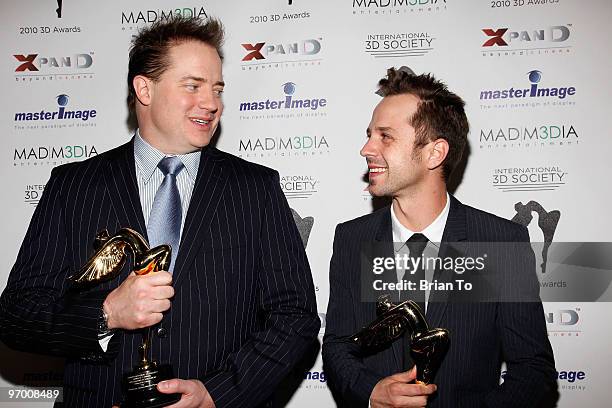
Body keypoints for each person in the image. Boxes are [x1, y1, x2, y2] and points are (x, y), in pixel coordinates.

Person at [0, 16, 319, 408]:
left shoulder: (256, 189)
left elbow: (295, 317)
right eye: (193, 86)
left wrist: (216, 394)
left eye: (217, 89)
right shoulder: (73, 186)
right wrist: (106, 314)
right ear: (144, 88)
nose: (212, 103)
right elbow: (18, 314)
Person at [322, 68, 556, 408]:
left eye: (385, 136)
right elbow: (339, 345)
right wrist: (369, 391)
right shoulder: (351, 238)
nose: (366, 149)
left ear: (435, 152)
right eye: (370, 134)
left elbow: (533, 370)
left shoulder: (499, 243)